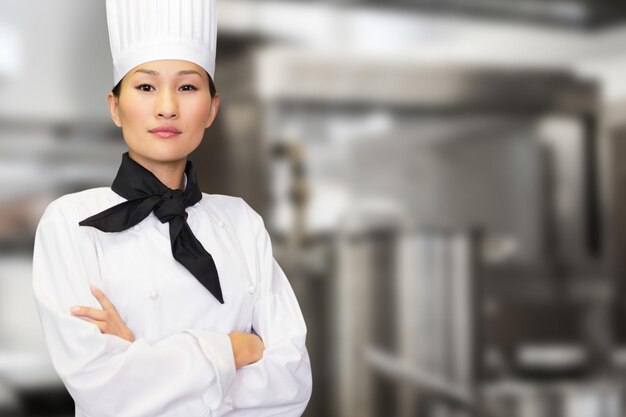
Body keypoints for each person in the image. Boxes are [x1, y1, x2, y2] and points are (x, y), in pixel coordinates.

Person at [31, 1, 312, 416]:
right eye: (146, 87)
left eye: (187, 87)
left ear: (212, 108)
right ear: (114, 106)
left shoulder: (243, 222)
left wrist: (146, 363)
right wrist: (233, 350)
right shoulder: (69, 223)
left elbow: (291, 384)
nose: (167, 107)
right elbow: (102, 388)